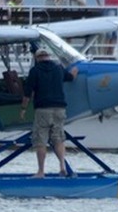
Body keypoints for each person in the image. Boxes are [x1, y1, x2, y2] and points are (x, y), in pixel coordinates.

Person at [20, 48, 79, 178]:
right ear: (48, 57)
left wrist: (23, 109)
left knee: (41, 140)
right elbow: (70, 77)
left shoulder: (35, 71)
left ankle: (41, 171)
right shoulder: (58, 68)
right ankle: (62, 167)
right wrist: (75, 71)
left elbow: (27, 93)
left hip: (43, 110)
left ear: (37, 58)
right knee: (58, 138)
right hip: (60, 109)